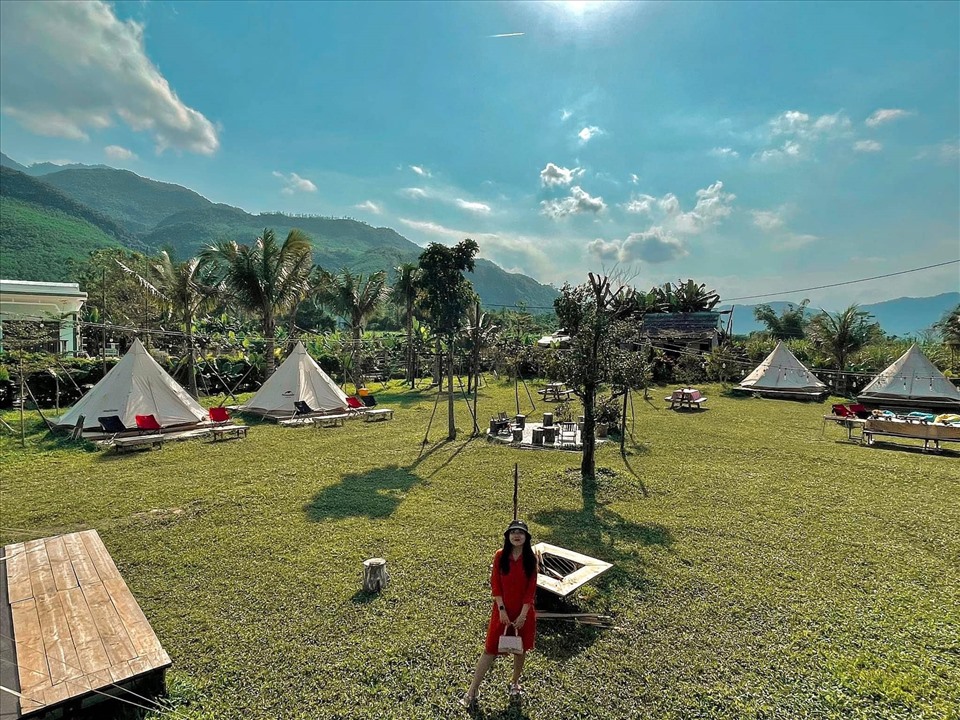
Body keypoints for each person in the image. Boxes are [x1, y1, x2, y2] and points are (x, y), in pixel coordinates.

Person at [461, 520, 539, 710]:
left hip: (523, 612)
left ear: (526, 537)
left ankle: (514, 682)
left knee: (520, 649)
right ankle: (472, 690)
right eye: (513, 532)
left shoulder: (531, 559)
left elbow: (530, 590)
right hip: (501, 611)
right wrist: (502, 609)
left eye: (521, 532)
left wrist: (523, 615)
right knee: (490, 649)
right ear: (507, 536)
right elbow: (495, 584)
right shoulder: (500, 556)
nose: (516, 535)